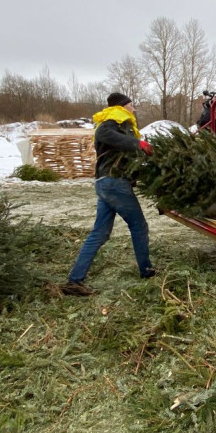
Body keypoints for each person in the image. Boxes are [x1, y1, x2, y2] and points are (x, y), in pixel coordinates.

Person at [62, 92, 157, 296]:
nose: (134, 109)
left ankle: (74, 281)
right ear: (123, 106)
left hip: (105, 183)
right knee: (139, 225)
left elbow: (120, 154)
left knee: (100, 233)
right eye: (132, 105)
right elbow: (104, 135)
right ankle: (147, 271)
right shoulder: (114, 119)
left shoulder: (119, 121)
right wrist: (137, 144)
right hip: (114, 183)